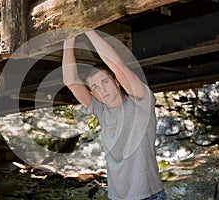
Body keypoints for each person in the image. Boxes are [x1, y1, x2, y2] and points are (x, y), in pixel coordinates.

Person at [62, 30, 166, 200]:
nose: (101, 89)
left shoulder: (140, 101)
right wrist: (69, 35)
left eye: (105, 81)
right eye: (95, 86)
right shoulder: (100, 110)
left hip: (150, 196)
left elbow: (117, 65)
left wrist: (87, 28)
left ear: (117, 82)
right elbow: (70, 81)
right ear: (92, 93)